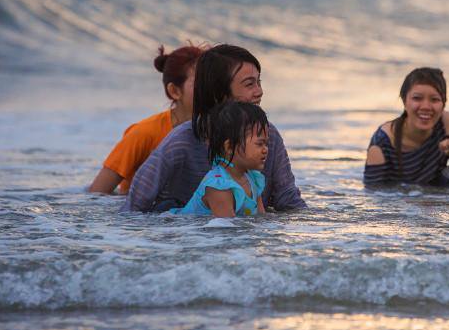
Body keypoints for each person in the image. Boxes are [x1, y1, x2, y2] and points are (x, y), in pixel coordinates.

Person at [120, 44, 305, 212]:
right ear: (219, 93)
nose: (259, 91)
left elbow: (288, 201)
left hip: (244, 240)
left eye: (259, 82)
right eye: (249, 84)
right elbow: (133, 209)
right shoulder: (181, 141)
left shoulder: (268, 135)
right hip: (190, 239)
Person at [89, 44, 205, 194]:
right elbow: (96, 194)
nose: (210, 88)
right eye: (200, 82)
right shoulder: (143, 133)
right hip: (140, 215)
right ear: (174, 91)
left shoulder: (221, 132)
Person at [364, 67, 449, 187]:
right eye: (417, 98)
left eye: (434, 100)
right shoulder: (382, 142)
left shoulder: (446, 123)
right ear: (404, 101)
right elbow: (374, 194)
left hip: (435, 197)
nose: (426, 106)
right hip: (400, 200)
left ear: (443, 104)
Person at [171, 102, 268, 217]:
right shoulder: (219, 187)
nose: (265, 149)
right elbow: (227, 230)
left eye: (267, 143)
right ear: (230, 147)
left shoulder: (252, 177)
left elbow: (262, 218)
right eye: (260, 144)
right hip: (182, 227)